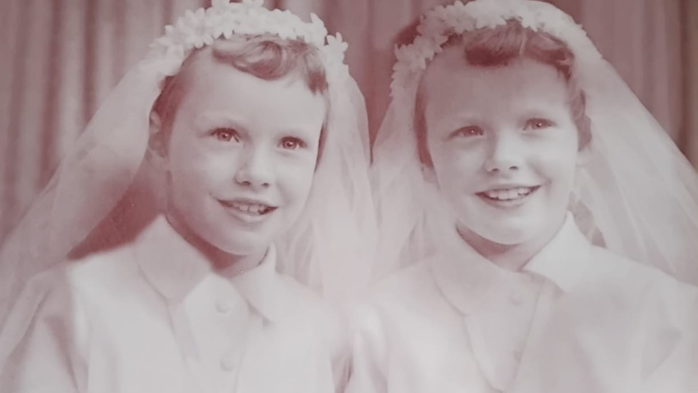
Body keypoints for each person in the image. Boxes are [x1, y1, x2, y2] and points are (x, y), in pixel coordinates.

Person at [0, 1, 375, 392]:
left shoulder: (322, 331)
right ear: (159, 139)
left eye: (291, 143)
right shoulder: (76, 306)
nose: (257, 173)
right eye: (225, 135)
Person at [347, 0, 698, 392]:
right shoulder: (380, 323)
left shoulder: (665, 316)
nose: (503, 160)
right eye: (468, 131)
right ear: (425, 160)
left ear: (582, 142)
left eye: (536, 124)